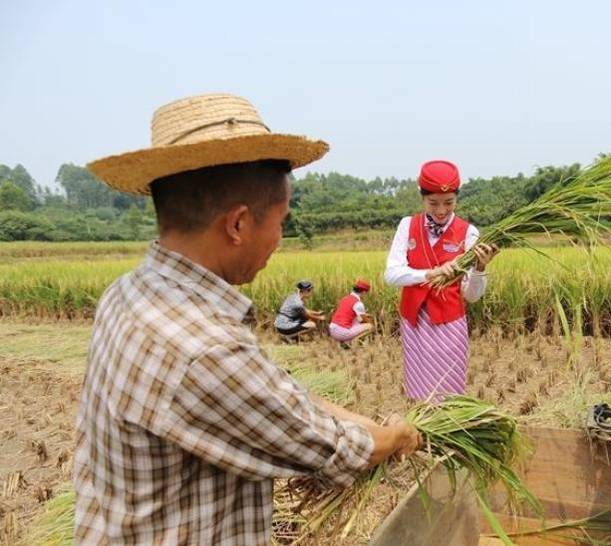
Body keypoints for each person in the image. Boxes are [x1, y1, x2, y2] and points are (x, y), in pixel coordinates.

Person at [74, 93, 420, 545]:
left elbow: (278, 398)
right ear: (238, 225)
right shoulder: (204, 348)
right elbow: (327, 446)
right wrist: (395, 437)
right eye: (281, 222)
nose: (279, 240)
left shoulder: (127, 293)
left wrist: (365, 423)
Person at [384, 160, 499, 401]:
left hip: (448, 324)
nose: (441, 210)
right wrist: (430, 274)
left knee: (448, 393)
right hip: (415, 322)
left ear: (457, 198)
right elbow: (392, 274)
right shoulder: (408, 225)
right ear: (421, 197)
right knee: (419, 392)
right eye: (433, 203)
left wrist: (480, 267)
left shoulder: (469, 232)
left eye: (449, 202)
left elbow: (472, 296)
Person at [329, 279, 374, 348]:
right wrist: (371, 321)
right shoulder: (358, 303)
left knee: (356, 320)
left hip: (332, 329)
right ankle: (350, 342)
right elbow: (364, 320)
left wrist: (365, 315)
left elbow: (347, 313)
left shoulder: (345, 298)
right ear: (364, 292)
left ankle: (344, 342)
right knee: (370, 326)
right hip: (341, 332)